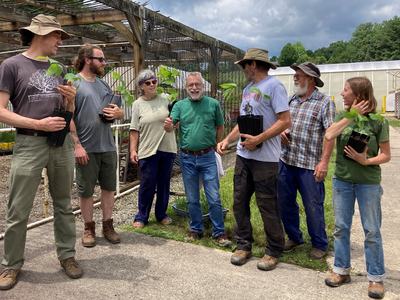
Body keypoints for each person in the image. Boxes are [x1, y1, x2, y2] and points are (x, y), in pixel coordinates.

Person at [0, 14, 83, 290]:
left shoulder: (59, 68)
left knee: (63, 204)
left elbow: (68, 113)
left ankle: (67, 256)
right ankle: (12, 264)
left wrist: (70, 103)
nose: (60, 41)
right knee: (18, 208)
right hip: (29, 143)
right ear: (39, 35)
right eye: (56, 35)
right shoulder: (11, 65)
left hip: (60, 144)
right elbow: (0, 111)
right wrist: (38, 124)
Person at [217, 48, 291, 270]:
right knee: (239, 202)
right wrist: (228, 140)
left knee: (267, 204)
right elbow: (243, 121)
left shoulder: (274, 86)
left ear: (253, 64)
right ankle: (243, 245)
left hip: (266, 159)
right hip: (243, 155)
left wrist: (259, 138)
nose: (243, 70)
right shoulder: (248, 89)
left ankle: (273, 249)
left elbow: (285, 121)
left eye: (244, 66)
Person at [324, 77, 390, 299]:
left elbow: (386, 155)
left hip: (368, 184)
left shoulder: (378, 122)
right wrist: (352, 116)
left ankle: (376, 278)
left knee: (372, 230)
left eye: (346, 90)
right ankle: (341, 271)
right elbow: (329, 135)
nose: (342, 94)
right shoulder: (343, 116)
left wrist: (365, 161)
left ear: (359, 95)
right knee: (341, 227)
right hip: (342, 180)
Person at [277, 62, 336, 259]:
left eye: (299, 75)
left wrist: (324, 162)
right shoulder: (292, 99)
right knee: (285, 202)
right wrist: (281, 133)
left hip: (310, 165)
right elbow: (282, 123)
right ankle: (294, 237)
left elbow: (330, 134)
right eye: (295, 74)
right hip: (286, 161)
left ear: (311, 79)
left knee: (313, 205)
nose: (295, 78)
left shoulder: (324, 102)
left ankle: (319, 243)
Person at [168, 72, 231, 247]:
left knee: (213, 197)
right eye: (191, 85)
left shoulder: (213, 104)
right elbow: (170, 126)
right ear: (186, 88)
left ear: (203, 86)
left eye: (197, 85)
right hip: (187, 158)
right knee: (192, 198)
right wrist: (168, 126)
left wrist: (218, 145)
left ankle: (219, 232)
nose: (194, 88)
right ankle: (196, 229)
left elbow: (220, 126)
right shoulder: (180, 106)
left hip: (208, 156)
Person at [70, 44, 124, 247]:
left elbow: (114, 111)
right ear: (87, 59)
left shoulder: (104, 85)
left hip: (108, 146)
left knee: (109, 188)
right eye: (100, 59)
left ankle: (108, 226)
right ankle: (88, 228)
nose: (104, 63)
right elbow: (69, 117)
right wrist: (77, 145)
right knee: (86, 191)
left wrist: (119, 114)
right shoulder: (73, 82)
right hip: (86, 148)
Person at [129, 69, 177, 228]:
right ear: (141, 86)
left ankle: (161, 214)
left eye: (154, 81)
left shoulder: (166, 99)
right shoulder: (137, 104)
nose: (151, 85)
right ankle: (141, 216)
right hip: (148, 150)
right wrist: (133, 150)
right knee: (147, 184)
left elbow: (176, 121)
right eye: (147, 83)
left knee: (164, 184)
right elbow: (134, 130)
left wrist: (173, 125)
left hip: (167, 148)